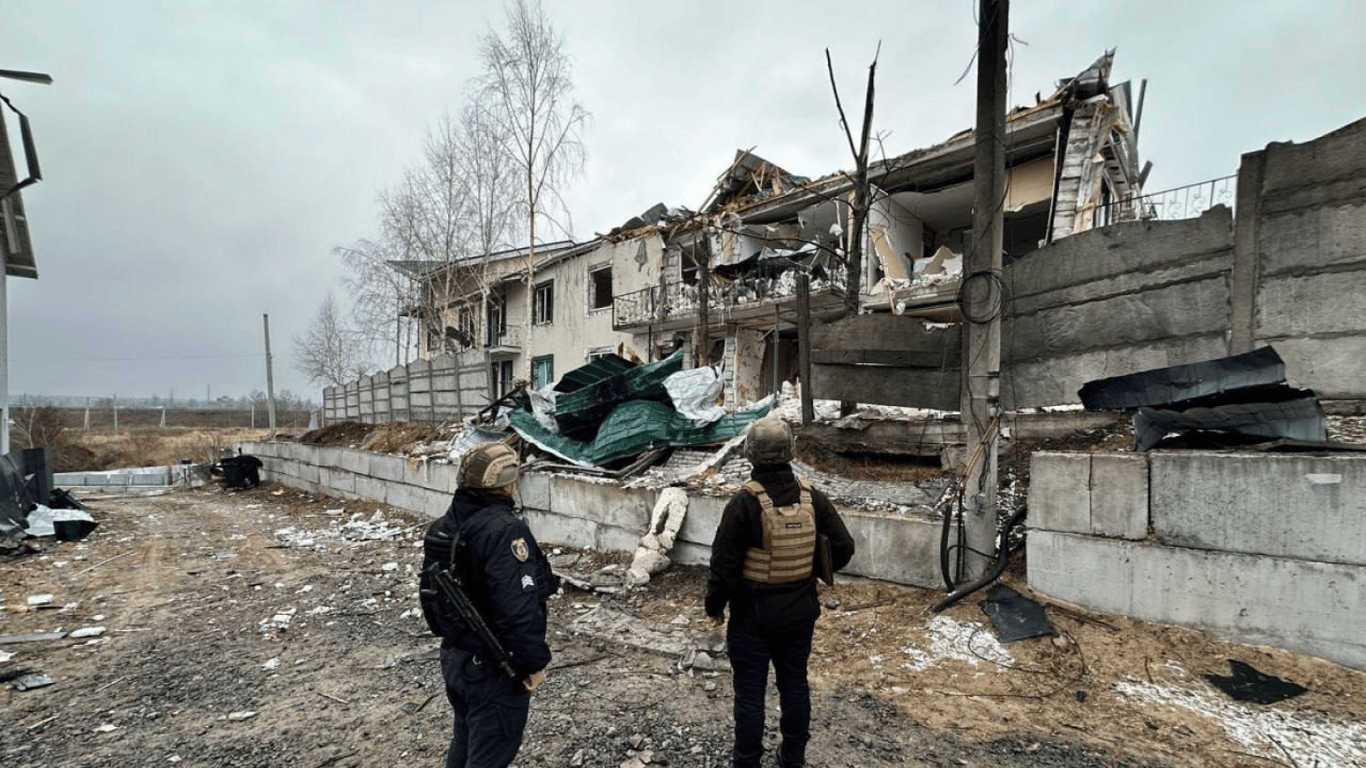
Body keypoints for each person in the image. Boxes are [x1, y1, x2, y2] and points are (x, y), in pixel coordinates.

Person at [706, 416, 856, 768]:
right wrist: (808, 570)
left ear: (750, 454)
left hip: (752, 619)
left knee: (749, 695)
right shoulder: (812, 497)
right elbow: (844, 548)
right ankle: (793, 759)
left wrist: (715, 607)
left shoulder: (743, 503)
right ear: (791, 451)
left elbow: (723, 567)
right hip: (800, 612)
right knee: (794, 684)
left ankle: (747, 762)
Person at [420, 442, 555, 768]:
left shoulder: (444, 525)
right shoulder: (504, 530)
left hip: (457, 660)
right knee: (489, 754)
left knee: (465, 741)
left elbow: (429, 598)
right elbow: (517, 608)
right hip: (494, 668)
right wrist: (531, 663)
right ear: (505, 481)